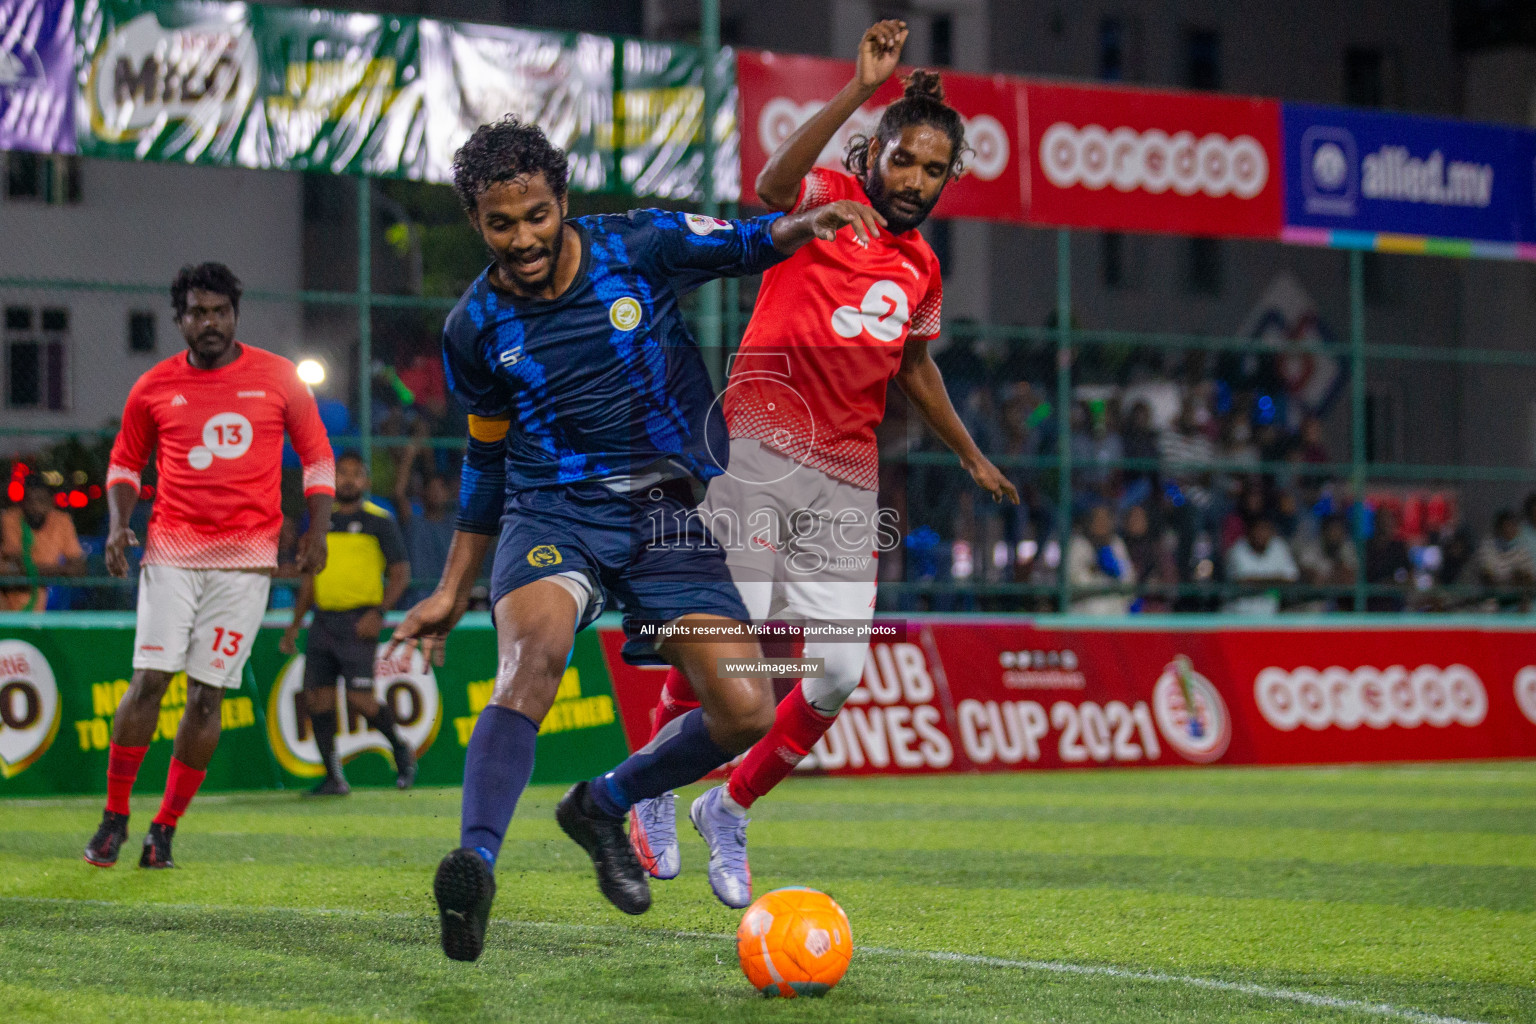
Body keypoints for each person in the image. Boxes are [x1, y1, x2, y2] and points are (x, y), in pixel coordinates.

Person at [384, 116, 886, 962]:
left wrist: (808, 222)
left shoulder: (639, 244)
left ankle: (603, 803)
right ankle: (475, 862)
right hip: (551, 512)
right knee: (530, 659)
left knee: (745, 709)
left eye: (536, 215)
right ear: (478, 222)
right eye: (501, 223)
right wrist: (449, 587)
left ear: (563, 203)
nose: (522, 238)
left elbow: (748, 240)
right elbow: (484, 459)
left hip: (665, 514)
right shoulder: (474, 326)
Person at [626, 20, 1017, 910]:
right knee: (732, 647)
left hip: (846, 476)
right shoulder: (828, 193)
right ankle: (651, 783)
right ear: (877, 153)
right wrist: (857, 87)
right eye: (904, 160)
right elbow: (765, 186)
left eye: (933, 169)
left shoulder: (921, 267)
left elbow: (915, 367)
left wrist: (972, 455)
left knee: (838, 675)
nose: (915, 181)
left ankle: (727, 806)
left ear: (949, 178)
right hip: (760, 443)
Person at [83, 263, 333, 870]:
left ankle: (163, 829)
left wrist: (316, 532)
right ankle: (115, 817)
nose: (210, 322)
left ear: (235, 314)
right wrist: (119, 525)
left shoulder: (277, 378)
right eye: (198, 312)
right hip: (172, 554)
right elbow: (124, 464)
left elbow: (318, 457)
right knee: (150, 682)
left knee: (205, 699)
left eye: (220, 311)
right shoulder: (153, 387)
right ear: (180, 319)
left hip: (247, 565)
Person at [281, 452, 414, 794]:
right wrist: (296, 624)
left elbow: (400, 573)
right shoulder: (320, 523)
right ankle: (333, 777)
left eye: (357, 474)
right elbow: (310, 578)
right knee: (317, 700)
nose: (349, 480)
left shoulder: (380, 521)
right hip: (323, 621)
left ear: (366, 482)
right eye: (343, 473)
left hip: (360, 621)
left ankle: (400, 749)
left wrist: (379, 612)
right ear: (333, 480)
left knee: (359, 699)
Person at [1, 477, 86, 611]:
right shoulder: (10, 519)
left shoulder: (62, 521)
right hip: (9, 604)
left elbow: (78, 569)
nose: (35, 507)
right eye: (30, 501)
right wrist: (60, 570)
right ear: (22, 503)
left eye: (41, 501)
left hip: (46, 605)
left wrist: (33, 572)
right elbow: (15, 571)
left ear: (50, 503)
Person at [1066, 505, 1137, 615]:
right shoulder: (1078, 544)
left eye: (1105, 519)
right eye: (1097, 519)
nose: (1101, 523)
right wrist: (1096, 569)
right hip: (1084, 610)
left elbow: (1128, 579)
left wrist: (1115, 571)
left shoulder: (1116, 544)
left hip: (1114, 610)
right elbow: (1073, 581)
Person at [1223, 513, 1298, 615]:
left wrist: (1256, 580)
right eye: (1258, 529)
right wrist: (1275, 581)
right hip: (1239, 615)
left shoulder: (1279, 546)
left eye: (1265, 529)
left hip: (1271, 615)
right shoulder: (1238, 549)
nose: (1261, 534)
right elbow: (1243, 582)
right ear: (1249, 531)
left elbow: (1291, 579)